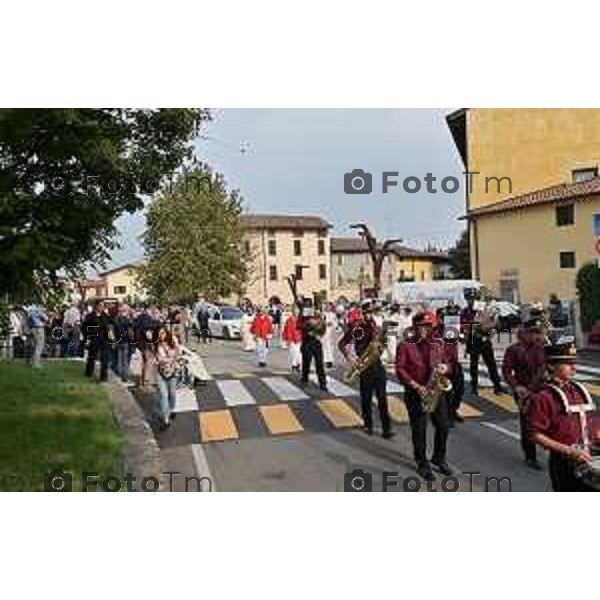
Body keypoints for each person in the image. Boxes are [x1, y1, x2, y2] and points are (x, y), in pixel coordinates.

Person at [527, 338, 600, 491]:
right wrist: (570, 451)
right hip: (565, 463)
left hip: (590, 456)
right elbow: (535, 434)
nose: (574, 368)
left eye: (574, 363)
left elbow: (590, 424)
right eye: (567, 364)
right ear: (551, 366)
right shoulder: (543, 397)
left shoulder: (579, 391)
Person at [396, 311, 456, 479]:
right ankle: (422, 463)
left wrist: (446, 368)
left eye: (430, 327)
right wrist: (416, 386)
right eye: (423, 327)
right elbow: (400, 369)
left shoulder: (437, 344)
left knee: (443, 426)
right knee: (419, 430)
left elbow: (448, 363)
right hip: (416, 392)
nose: (427, 330)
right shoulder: (405, 345)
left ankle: (438, 458)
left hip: (436, 390)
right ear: (415, 327)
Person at [339, 300, 394, 439]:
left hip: (377, 365)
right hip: (364, 366)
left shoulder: (376, 326)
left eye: (372, 312)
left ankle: (386, 428)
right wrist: (350, 358)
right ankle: (368, 424)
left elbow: (382, 343)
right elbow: (342, 343)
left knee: (382, 398)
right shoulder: (357, 328)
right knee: (366, 398)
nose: (370, 315)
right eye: (368, 312)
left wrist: (382, 342)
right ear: (362, 313)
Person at [502, 317, 547, 469]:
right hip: (524, 391)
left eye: (538, 332)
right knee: (528, 423)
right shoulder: (513, 349)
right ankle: (530, 456)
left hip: (542, 389)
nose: (536, 335)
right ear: (525, 332)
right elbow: (506, 372)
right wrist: (516, 386)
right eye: (533, 332)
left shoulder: (542, 347)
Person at [460, 293, 502, 395]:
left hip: (485, 339)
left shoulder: (485, 309)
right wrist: (470, 327)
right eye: (469, 299)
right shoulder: (465, 311)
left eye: (474, 299)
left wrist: (493, 328)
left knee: (491, 363)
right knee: (473, 364)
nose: (472, 301)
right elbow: (463, 324)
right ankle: (474, 387)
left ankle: (497, 386)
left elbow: (496, 324)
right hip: (473, 340)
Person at [155, 326, 181, 429]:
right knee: (163, 395)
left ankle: (172, 409)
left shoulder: (173, 341)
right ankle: (165, 420)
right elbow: (157, 359)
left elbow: (178, 354)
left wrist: (172, 360)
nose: (161, 336)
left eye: (163, 333)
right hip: (160, 372)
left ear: (167, 333)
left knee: (172, 393)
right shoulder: (156, 344)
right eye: (159, 334)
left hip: (172, 371)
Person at [298, 301, 328, 391]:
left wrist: (320, 334)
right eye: (307, 307)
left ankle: (323, 383)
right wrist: (307, 327)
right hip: (307, 342)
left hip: (317, 343)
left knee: (320, 364)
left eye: (309, 306)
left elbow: (323, 326)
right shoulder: (302, 317)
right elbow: (298, 326)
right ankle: (304, 379)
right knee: (306, 363)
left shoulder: (317, 315)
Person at [82, 300, 113, 381]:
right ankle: (89, 373)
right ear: (96, 306)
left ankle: (104, 376)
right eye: (100, 305)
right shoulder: (89, 316)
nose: (102, 307)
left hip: (104, 340)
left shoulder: (106, 316)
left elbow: (110, 326)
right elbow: (84, 327)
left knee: (105, 358)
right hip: (94, 339)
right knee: (91, 357)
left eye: (103, 306)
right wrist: (90, 333)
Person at [113, 303, 133, 383]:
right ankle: (125, 377)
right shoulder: (127, 320)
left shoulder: (116, 319)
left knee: (119, 359)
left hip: (118, 340)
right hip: (125, 341)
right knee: (125, 360)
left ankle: (119, 376)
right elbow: (130, 332)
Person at [27, 302, 47, 368]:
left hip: (32, 329)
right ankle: (36, 363)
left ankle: (31, 361)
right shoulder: (38, 310)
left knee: (35, 345)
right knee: (39, 345)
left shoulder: (30, 310)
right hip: (39, 328)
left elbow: (28, 319)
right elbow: (45, 318)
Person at [282, 306, 302, 372]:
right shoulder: (289, 320)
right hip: (291, 339)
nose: (296, 313)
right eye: (295, 311)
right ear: (293, 312)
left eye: (297, 311)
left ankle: (298, 364)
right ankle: (294, 365)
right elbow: (286, 329)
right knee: (293, 352)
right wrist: (286, 339)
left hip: (299, 338)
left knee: (298, 353)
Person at [321, 302, 337, 368]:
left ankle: (330, 361)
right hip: (324, 333)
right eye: (326, 306)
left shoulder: (333, 315)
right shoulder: (323, 314)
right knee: (324, 347)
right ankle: (325, 361)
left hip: (330, 332)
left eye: (329, 306)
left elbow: (335, 323)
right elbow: (321, 322)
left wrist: (332, 324)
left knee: (330, 348)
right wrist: (325, 323)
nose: (327, 307)